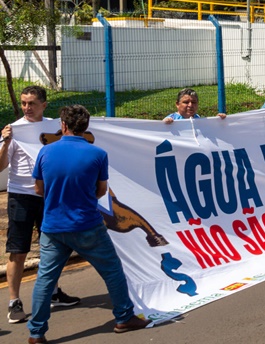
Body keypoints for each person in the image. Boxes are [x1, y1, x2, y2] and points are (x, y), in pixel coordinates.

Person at [28, 105, 150, 342]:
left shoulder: (46, 152)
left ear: (63, 125)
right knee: (112, 271)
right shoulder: (98, 154)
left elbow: (38, 188)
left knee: (45, 279)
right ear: (85, 127)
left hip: (53, 226)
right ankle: (124, 317)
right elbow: (102, 190)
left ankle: (36, 333)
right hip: (87, 225)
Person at [1, 86, 80, 325]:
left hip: (50, 195)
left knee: (53, 245)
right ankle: (14, 302)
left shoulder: (55, 127)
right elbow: (0, 166)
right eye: (24, 103)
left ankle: (54, 292)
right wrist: (5, 142)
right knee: (18, 249)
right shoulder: (14, 130)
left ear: (44, 105)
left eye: (32, 103)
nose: (27, 108)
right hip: (21, 196)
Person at [163, 88, 227, 123]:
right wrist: (164, 125)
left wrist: (218, 121)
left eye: (193, 102)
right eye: (186, 102)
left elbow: (211, 130)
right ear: (177, 104)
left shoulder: (199, 118)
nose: (190, 105)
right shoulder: (171, 119)